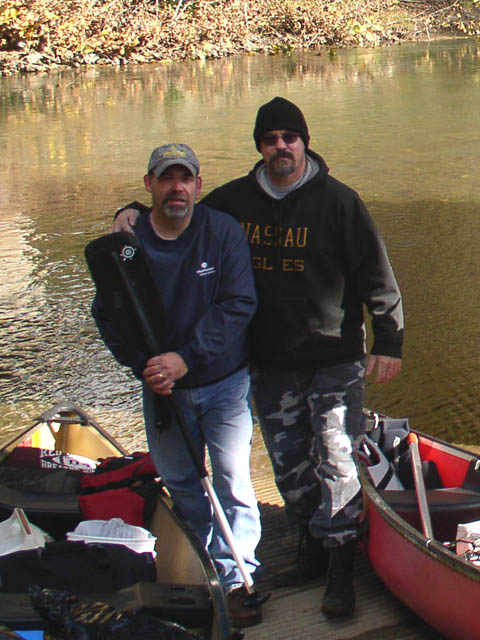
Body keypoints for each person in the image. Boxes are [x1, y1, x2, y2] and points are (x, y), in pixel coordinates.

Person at [113, 98, 404, 619]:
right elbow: (177, 210)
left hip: (334, 353)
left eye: (290, 137)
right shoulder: (233, 202)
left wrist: (389, 340)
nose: (281, 148)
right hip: (268, 359)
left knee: (337, 455)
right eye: (270, 139)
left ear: (304, 142)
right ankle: (310, 547)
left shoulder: (339, 201)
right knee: (290, 464)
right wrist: (128, 211)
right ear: (260, 147)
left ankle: (340, 561)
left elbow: (374, 273)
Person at [92, 143, 263, 628]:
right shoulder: (126, 245)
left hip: (224, 382)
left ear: (198, 186)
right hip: (161, 390)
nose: (176, 189)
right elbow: (108, 315)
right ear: (148, 186)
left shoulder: (222, 232)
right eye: (166, 179)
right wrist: (144, 367)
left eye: (184, 179)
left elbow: (238, 304)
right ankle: (199, 572)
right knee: (185, 486)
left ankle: (238, 578)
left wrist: (185, 359)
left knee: (232, 481)